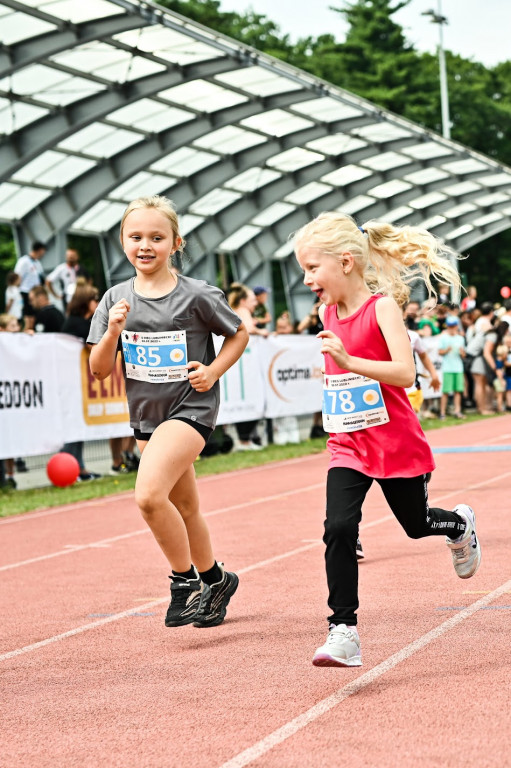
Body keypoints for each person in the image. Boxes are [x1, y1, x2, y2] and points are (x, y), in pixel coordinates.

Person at [292, 212, 481, 668]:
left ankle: (457, 525)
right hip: (348, 445)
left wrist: (349, 361)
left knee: (415, 525)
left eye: (312, 268)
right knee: (338, 528)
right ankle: (343, 630)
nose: (306, 279)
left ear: (345, 262)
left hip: (395, 443)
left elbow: (404, 373)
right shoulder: (325, 312)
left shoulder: (382, 308)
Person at [88, 195, 248, 628]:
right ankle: (216, 580)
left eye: (156, 237)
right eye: (135, 236)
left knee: (148, 497)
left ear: (175, 243)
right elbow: (99, 370)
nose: (145, 245)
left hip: (191, 409)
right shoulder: (114, 300)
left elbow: (238, 334)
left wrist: (213, 371)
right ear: (122, 241)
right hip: (146, 416)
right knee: (187, 506)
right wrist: (112, 332)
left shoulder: (197, 295)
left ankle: (185, 581)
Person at [60, 285, 102, 481]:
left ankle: (79, 467)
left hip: (82, 381)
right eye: (95, 299)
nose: (99, 303)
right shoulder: (75, 323)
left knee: (80, 423)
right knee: (73, 424)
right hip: (69, 381)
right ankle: (67, 465)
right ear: (86, 302)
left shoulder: (86, 322)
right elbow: (93, 344)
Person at [227, 282, 268, 451]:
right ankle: (244, 441)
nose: (256, 302)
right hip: (243, 366)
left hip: (241, 366)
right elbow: (248, 329)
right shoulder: (242, 311)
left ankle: (247, 439)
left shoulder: (237, 311)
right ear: (243, 301)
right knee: (249, 397)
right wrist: (262, 332)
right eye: (252, 299)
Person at [438, 315, 466, 419]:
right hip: (447, 368)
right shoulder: (443, 337)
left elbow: (463, 354)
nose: (452, 327)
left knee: (458, 391)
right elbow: (440, 352)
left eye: (453, 325)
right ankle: (442, 413)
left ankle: (457, 411)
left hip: (458, 367)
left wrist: (462, 352)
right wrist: (446, 350)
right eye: (450, 326)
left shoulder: (460, 338)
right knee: (445, 391)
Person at [14, 240, 46, 330]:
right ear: (39, 250)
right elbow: (17, 277)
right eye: (43, 251)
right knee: (29, 319)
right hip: (26, 292)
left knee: (35, 319)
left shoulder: (37, 263)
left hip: (36, 294)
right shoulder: (24, 261)